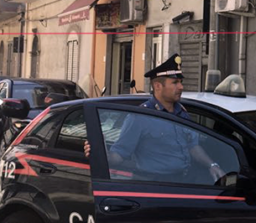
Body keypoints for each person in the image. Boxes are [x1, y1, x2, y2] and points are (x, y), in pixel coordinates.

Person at [85, 53, 225, 182]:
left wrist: (212, 165)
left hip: (184, 181)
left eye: (181, 82)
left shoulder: (182, 112)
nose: (181, 87)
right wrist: (98, 151)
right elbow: (119, 155)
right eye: (175, 83)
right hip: (155, 185)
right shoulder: (140, 117)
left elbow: (192, 146)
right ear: (158, 86)